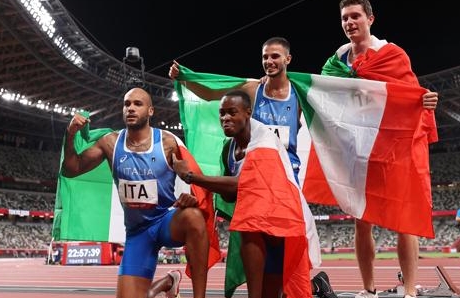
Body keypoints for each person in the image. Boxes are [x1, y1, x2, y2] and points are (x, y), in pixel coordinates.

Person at [169, 37, 336, 298]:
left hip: (284, 179)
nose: (269, 61)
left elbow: (334, 105)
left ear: (288, 60)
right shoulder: (252, 89)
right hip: (251, 177)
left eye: (275, 56)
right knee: (254, 236)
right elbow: (214, 94)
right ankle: (297, 288)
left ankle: (310, 287)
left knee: (276, 251)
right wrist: (186, 80)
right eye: (265, 57)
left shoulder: (298, 94)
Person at [320, 1, 439, 298]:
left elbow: (411, 92)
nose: (349, 22)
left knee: (404, 220)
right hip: (358, 150)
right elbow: (320, 95)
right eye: (345, 18)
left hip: (393, 148)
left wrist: (423, 101)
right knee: (361, 220)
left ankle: (409, 292)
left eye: (355, 16)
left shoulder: (391, 54)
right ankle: (368, 289)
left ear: (370, 18)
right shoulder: (337, 62)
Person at [61, 87, 210, 298]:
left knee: (194, 217)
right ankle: (169, 281)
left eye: (137, 104)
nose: (130, 108)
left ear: (150, 111)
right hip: (138, 233)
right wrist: (70, 134)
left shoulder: (167, 142)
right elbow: (72, 168)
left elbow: (193, 180)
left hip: (166, 221)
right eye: (127, 104)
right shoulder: (110, 143)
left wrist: (190, 195)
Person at [171, 89, 315, 298]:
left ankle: (313, 286)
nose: (225, 118)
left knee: (252, 223)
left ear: (248, 113)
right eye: (222, 113)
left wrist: (191, 177)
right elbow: (230, 195)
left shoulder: (264, 140)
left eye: (232, 112)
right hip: (258, 230)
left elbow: (243, 185)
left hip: (284, 226)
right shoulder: (228, 148)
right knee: (251, 221)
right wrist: (196, 195)